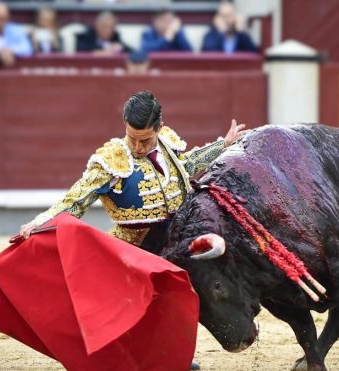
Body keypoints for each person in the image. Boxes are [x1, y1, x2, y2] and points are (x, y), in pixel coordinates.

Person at [19, 91, 246, 370]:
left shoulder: (166, 145)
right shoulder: (111, 161)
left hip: (175, 238)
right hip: (133, 249)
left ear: (159, 128)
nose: (138, 147)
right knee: (136, 309)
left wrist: (222, 144)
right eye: (132, 138)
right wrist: (40, 223)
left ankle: (178, 357)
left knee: (183, 300)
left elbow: (186, 166)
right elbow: (76, 199)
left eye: (145, 140)